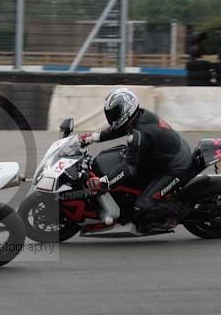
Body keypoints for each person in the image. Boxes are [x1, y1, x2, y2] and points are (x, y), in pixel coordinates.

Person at [78, 88, 192, 232]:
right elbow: (118, 128)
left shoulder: (138, 134)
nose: (112, 117)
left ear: (126, 110)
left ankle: (180, 212)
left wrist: (103, 182)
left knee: (142, 205)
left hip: (175, 167)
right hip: (163, 156)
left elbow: (127, 169)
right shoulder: (139, 116)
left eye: (115, 113)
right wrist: (93, 137)